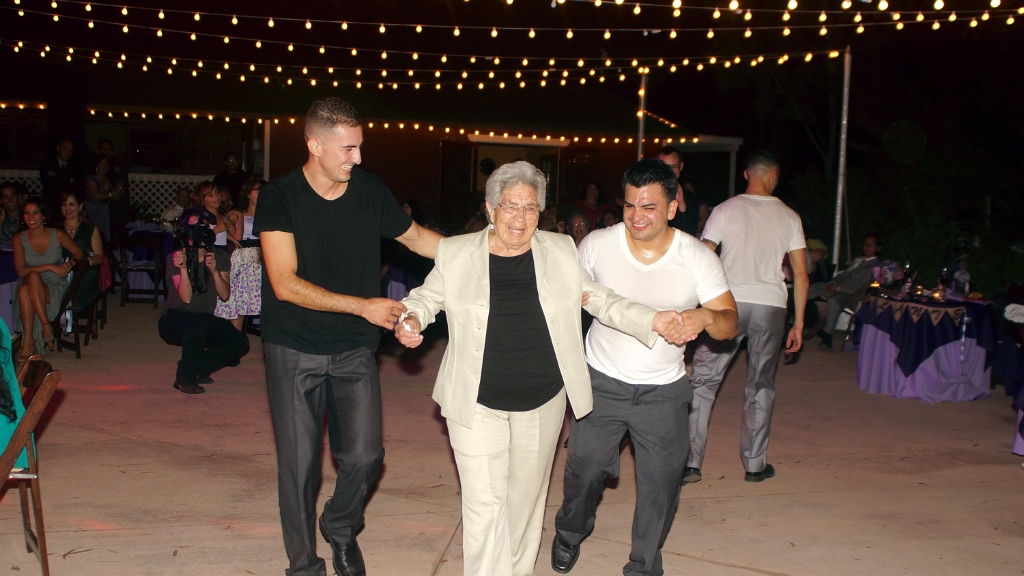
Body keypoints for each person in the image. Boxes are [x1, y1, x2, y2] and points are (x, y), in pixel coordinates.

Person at [395, 161, 692, 576]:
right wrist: (410, 318)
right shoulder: (456, 252)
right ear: (490, 208)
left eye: (530, 207)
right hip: (475, 402)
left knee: (524, 505)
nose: (520, 217)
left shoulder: (560, 250)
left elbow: (602, 299)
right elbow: (425, 299)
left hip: (542, 402)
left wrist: (653, 319)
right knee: (484, 508)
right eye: (510, 206)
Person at [254, 97, 444, 576]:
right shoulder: (280, 196)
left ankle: (339, 524)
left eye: (359, 147)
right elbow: (284, 283)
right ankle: (304, 566)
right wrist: (363, 305)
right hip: (293, 345)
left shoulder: (369, 190)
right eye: (348, 148)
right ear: (315, 145)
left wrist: (488, 251)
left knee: (365, 457)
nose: (357, 158)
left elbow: (418, 238)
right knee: (299, 467)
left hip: (353, 348)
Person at [551, 160, 738, 576]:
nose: (637, 216)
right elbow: (567, 295)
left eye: (649, 207)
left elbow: (729, 322)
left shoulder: (696, 257)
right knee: (585, 471)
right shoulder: (597, 244)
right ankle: (571, 531)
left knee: (661, 487)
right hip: (601, 381)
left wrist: (706, 316)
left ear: (672, 207)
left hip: (664, 392)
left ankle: (644, 565)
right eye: (630, 204)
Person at [687, 150, 808, 484]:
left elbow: (703, 255)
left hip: (728, 304)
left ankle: (690, 462)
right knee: (760, 384)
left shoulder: (724, 209)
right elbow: (800, 273)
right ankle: (754, 464)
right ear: (773, 175)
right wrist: (798, 324)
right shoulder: (790, 216)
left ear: (746, 175)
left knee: (704, 380)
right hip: (770, 306)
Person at [158, 209, 249, 394]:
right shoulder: (176, 257)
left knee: (239, 341)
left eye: (204, 227)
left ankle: (199, 368)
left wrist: (214, 272)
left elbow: (225, 295)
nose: (199, 231)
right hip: (174, 318)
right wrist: (183, 268)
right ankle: (185, 378)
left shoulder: (218, 256)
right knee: (196, 326)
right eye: (194, 227)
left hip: (203, 317)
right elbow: (186, 298)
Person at [12, 199, 84, 363]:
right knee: (31, 277)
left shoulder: (56, 234)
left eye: (35, 213)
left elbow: (79, 253)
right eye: (26, 213)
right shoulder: (19, 238)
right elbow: (20, 271)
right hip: (27, 279)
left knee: (25, 291)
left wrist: (70, 263)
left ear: (43, 215)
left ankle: (28, 342)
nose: (30, 217)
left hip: (52, 284)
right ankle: (46, 325)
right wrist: (49, 266)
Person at [808, 233, 881, 349]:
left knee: (833, 300)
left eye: (872, 244)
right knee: (807, 289)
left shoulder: (876, 267)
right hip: (838, 286)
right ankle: (791, 324)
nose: (868, 247)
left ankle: (828, 335)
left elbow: (860, 287)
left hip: (851, 293)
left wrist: (838, 288)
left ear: (878, 248)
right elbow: (843, 275)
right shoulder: (858, 260)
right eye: (866, 244)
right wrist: (833, 283)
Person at [215, 177, 265, 331]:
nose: (261, 193)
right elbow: (235, 236)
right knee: (239, 300)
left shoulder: (268, 214)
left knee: (264, 299)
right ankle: (235, 338)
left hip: (262, 256)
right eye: (258, 190)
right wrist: (241, 218)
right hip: (244, 257)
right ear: (249, 194)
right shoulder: (237, 214)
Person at [60, 190, 103, 312]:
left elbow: (99, 256)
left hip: (83, 272)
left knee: (79, 280)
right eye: (64, 204)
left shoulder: (90, 228)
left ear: (80, 206)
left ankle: (69, 312)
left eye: (71, 204)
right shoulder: (55, 228)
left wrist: (86, 262)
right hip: (60, 269)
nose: (67, 208)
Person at [656, 146, 708, 238]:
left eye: (674, 167)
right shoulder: (647, 193)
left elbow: (690, 234)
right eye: (665, 167)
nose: (669, 171)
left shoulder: (689, 197)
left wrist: (681, 204)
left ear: (681, 166)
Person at [39, 139, 85, 221]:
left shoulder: (76, 166)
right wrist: (68, 180)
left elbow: (77, 184)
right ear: (58, 148)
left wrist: (57, 177)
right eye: (65, 149)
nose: (68, 152)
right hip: (51, 202)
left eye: (70, 150)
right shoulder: (47, 163)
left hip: (69, 203)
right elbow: (48, 182)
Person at [84, 153, 125, 240]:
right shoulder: (91, 179)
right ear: (96, 166)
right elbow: (97, 196)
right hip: (93, 212)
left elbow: (115, 198)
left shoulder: (109, 179)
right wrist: (113, 193)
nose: (105, 166)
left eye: (107, 163)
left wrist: (118, 190)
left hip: (105, 214)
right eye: (102, 163)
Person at [0, 182, 21, 248]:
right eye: (5, 197)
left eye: (12, 195)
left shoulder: (28, 216)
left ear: (18, 197)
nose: (10, 200)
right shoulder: (1, 217)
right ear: (1, 201)